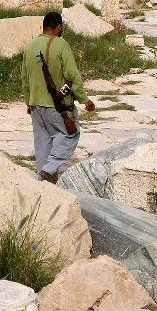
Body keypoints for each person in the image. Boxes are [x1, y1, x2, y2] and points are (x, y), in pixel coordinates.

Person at [21, 11, 94, 183]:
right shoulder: (60, 44)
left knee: (42, 142)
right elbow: (72, 75)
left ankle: (44, 179)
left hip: (36, 104)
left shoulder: (30, 46)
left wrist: (28, 102)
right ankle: (50, 168)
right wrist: (85, 99)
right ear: (59, 27)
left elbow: (24, 78)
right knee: (70, 134)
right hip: (57, 105)